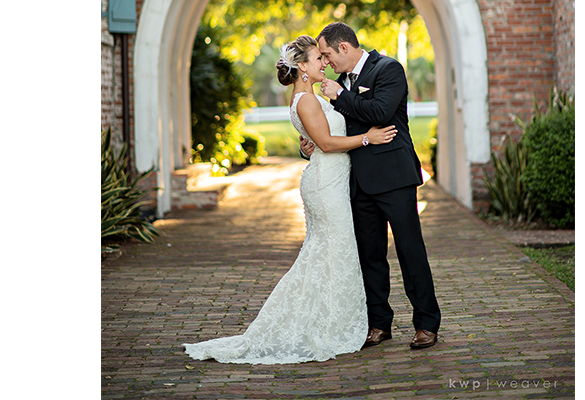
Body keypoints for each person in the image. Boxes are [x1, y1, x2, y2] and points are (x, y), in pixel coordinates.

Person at [184, 35, 398, 364]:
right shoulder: (306, 100)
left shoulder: (308, 97)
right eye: (318, 59)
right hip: (325, 185)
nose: (324, 62)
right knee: (333, 251)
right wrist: (367, 138)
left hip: (331, 180)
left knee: (329, 254)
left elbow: (316, 141)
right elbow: (327, 144)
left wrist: (311, 144)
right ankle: (325, 326)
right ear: (302, 67)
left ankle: (329, 320)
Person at [304, 22, 441, 349]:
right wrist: (309, 145)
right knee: (370, 255)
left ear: (344, 47)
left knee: (410, 251)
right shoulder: (339, 83)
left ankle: (426, 323)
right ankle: (379, 323)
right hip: (357, 181)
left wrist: (341, 96)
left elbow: (381, 112)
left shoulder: (388, 69)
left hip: (394, 177)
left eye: (327, 54)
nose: (326, 62)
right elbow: (333, 130)